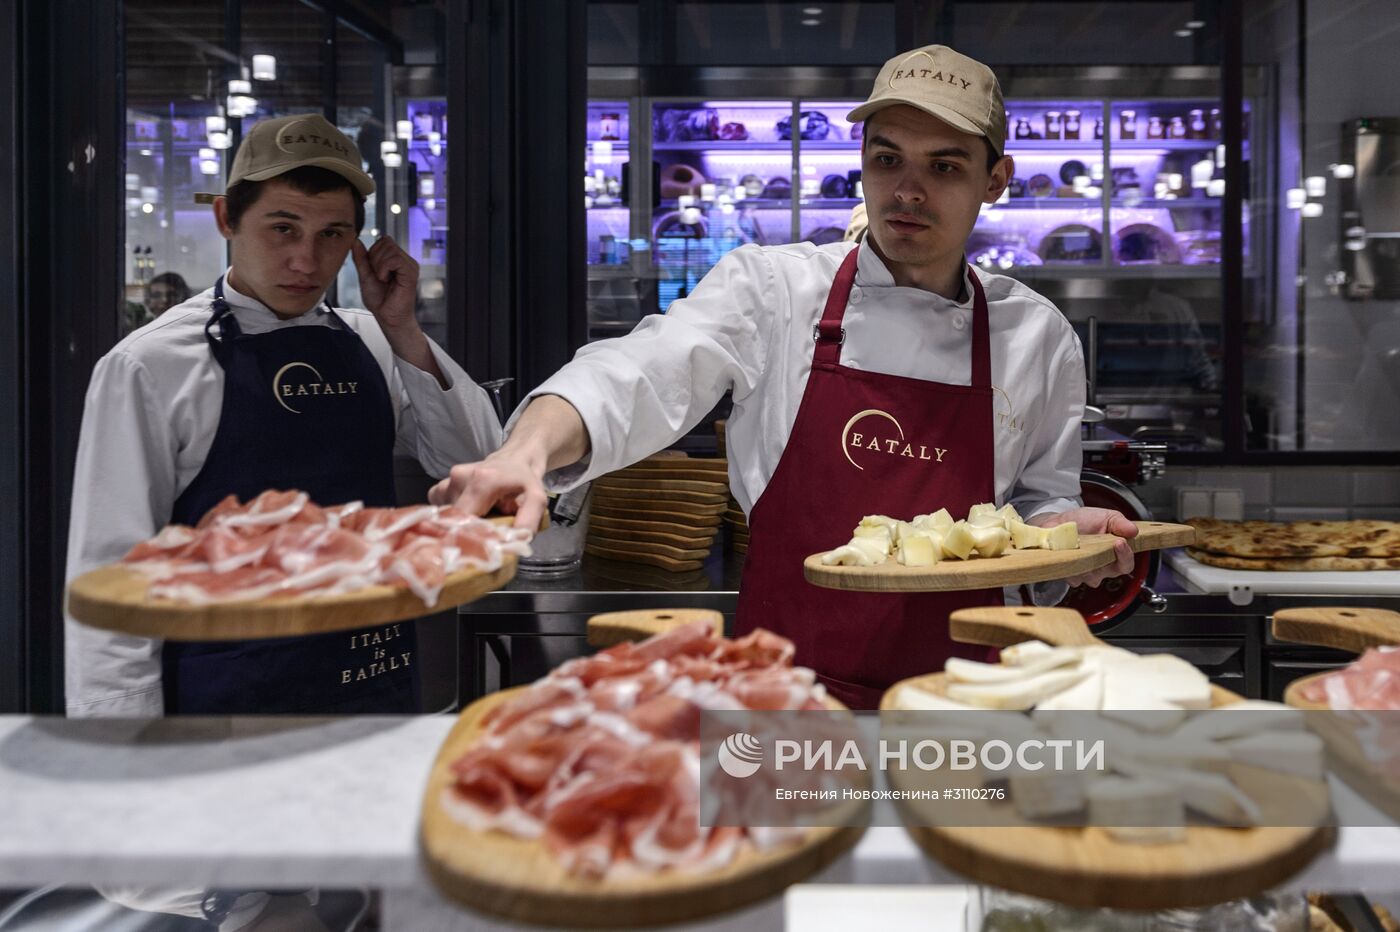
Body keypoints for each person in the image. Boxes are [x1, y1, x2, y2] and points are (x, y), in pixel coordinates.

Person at [429, 45, 1139, 710]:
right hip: (777, 694)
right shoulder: (774, 292)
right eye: (887, 158)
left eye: (945, 167)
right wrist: (523, 454)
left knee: (945, 847)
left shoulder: (1035, 335)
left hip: (963, 702)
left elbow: (1036, 509)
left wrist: (1061, 535)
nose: (908, 190)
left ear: (996, 180)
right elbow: (640, 369)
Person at [66, 113, 503, 719]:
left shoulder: (372, 340)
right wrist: (121, 751)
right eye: (283, 228)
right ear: (227, 219)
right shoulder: (150, 364)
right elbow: (111, 569)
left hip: (370, 675)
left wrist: (402, 328)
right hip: (229, 693)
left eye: (332, 235)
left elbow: (479, 460)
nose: (306, 260)